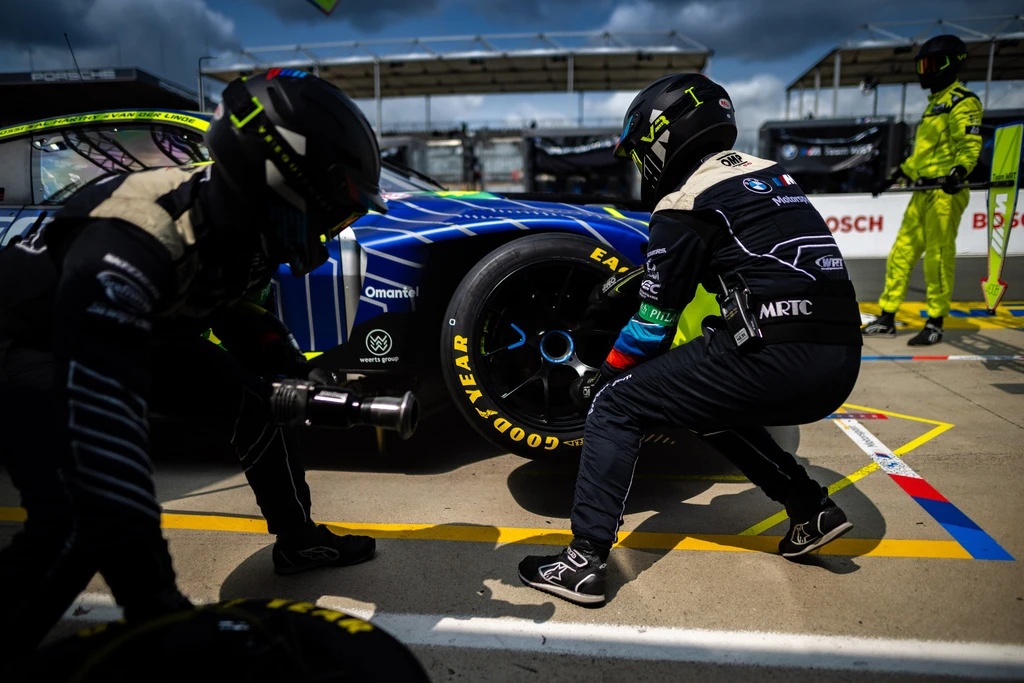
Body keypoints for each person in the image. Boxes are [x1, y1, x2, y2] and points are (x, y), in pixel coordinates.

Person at [0, 70, 387, 654]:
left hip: (132, 334)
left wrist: (294, 369)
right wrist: (160, 612)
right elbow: (112, 454)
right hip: (28, 347)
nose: (329, 234)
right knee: (77, 519)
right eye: (329, 214)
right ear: (283, 184)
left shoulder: (240, 218)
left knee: (265, 396)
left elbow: (230, 309)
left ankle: (299, 541)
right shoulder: (130, 242)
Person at [518, 73, 863, 607]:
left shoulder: (685, 199)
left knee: (615, 404)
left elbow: (654, 321)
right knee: (704, 401)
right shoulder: (773, 176)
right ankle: (809, 507)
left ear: (662, 136)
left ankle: (583, 562)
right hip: (841, 362)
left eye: (640, 152)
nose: (641, 166)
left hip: (776, 353)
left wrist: (607, 373)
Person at [864, 34, 983, 345]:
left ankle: (935, 322)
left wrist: (958, 172)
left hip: (946, 193)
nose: (923, 71)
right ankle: (887, 317)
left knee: (938, 258)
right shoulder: (934, 106)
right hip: (922, 192)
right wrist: (895, 176)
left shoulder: (963, 102)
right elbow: (920, 157)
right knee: (900, 254)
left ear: (949, 64)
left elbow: (969, 145)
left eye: (929, 64)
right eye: (921, 65)